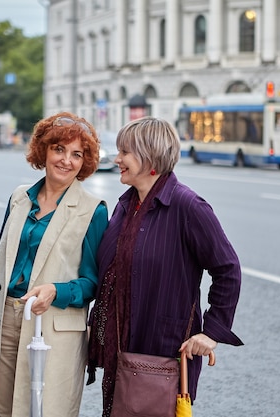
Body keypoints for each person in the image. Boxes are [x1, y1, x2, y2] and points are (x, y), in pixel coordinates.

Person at [87, 116, 243, 417]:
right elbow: (112, 272)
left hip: (163, 350)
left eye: (124, 153)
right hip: (122, 344)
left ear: (149, 156)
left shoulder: (188, 206)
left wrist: (211, 332)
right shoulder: (126, 205)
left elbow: (228, 269)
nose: (117, 159)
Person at [0, 112, 108, 417]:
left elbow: (93, 282)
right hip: (6, 320)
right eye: (59, 149)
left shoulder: (93, 211)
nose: (66, 161)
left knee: (46, 411)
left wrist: (56, 291)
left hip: (52, 327)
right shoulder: (19, 198)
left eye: (77, 154)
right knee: (4, 410)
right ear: (43, 150)